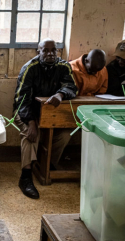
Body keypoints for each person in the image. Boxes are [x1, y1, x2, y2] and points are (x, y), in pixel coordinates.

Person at [13, 39, 77, 199]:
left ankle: (48, 165)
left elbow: (72, 87)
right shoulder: (30, 68)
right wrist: (32, 123)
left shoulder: (63, 67)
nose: (50, 53)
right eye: (45, 50)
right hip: (27, 112)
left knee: (65, 133)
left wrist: (60, 94)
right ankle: (26, 176)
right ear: (38, 51)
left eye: (53, 50)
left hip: (51, 114)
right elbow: (21, 100)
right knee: (30, 135)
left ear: (58, 52)